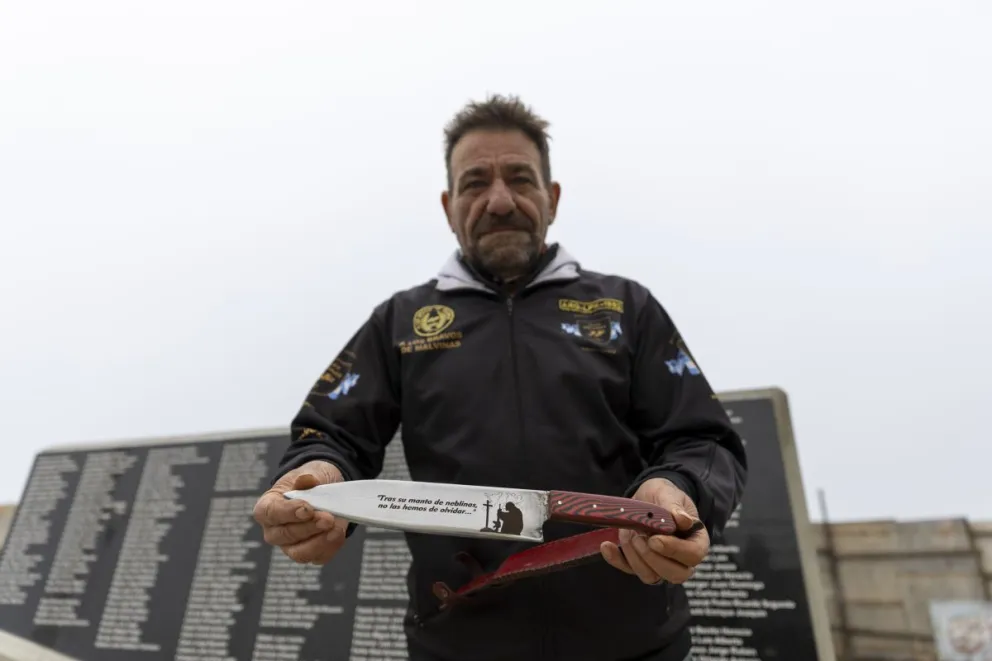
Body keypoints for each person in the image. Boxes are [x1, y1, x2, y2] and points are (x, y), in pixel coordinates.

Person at [252, 94, 748, 661]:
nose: (499, 201)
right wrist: (317, 478)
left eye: (520, 178)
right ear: (448, 205)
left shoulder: (626, 307)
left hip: (636, 646)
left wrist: (681, 493)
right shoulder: (399, 322)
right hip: (454, 643)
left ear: (552, 197)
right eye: (474, 183)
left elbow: (704, 440)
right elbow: (333, 435)